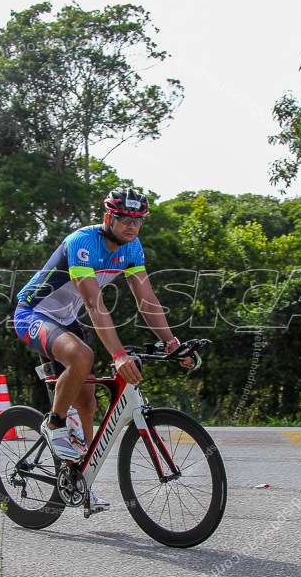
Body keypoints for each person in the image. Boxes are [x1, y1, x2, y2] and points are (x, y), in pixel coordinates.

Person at [13, 187, 197, 510]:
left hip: (66, 319)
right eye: (125, 218)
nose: (132, 226)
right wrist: (118, 354)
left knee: (87, 404)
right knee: (83, 356)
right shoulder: (82, 243)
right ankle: (54, 423)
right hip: (33, 313)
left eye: (138, 221)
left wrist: (173, 344)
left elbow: (147, 301)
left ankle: (78, 480)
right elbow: (95, 306)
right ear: (108, 217)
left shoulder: (132, 248)